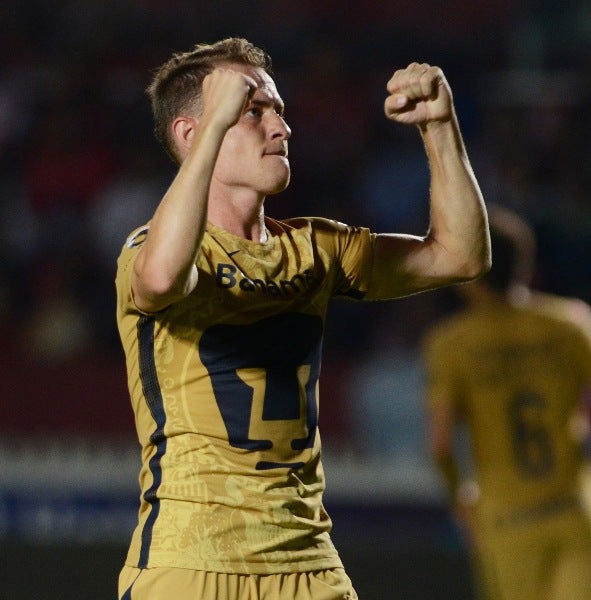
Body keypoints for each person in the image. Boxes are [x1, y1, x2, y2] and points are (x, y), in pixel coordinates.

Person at [115, 36, 490, 600]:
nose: (281, 128)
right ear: (192, 132)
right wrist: (216, 127)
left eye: (280, 112)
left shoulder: (316, 248)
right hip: (189, 559)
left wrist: (439, 126)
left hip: (308, 563)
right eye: (254, 111)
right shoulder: (148, 249)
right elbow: (165, 277)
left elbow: (460, 254)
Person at [423, 205, 591, 600]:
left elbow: (441, 445)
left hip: (507, 522)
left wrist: (460, 500)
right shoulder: (571, 324)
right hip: (575, 510)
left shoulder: (451, 345)